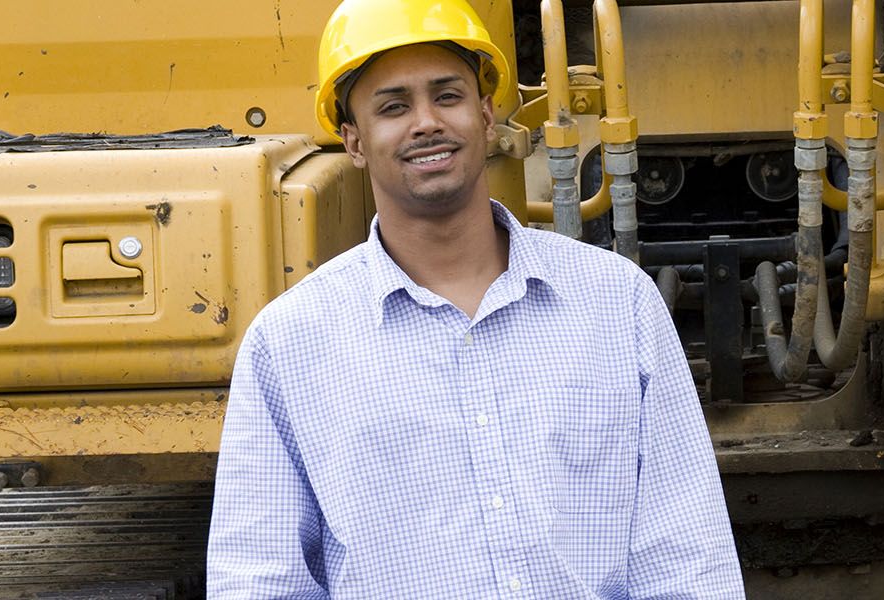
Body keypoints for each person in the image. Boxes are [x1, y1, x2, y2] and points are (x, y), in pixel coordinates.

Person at [206, 0, 744, 596]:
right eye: (392, 107)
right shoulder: (290, 343)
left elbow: (687, 554)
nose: (426, 122)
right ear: (353, 141)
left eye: (448, 96)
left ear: (487, 115)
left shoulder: (616, 304)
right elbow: (259, 578)